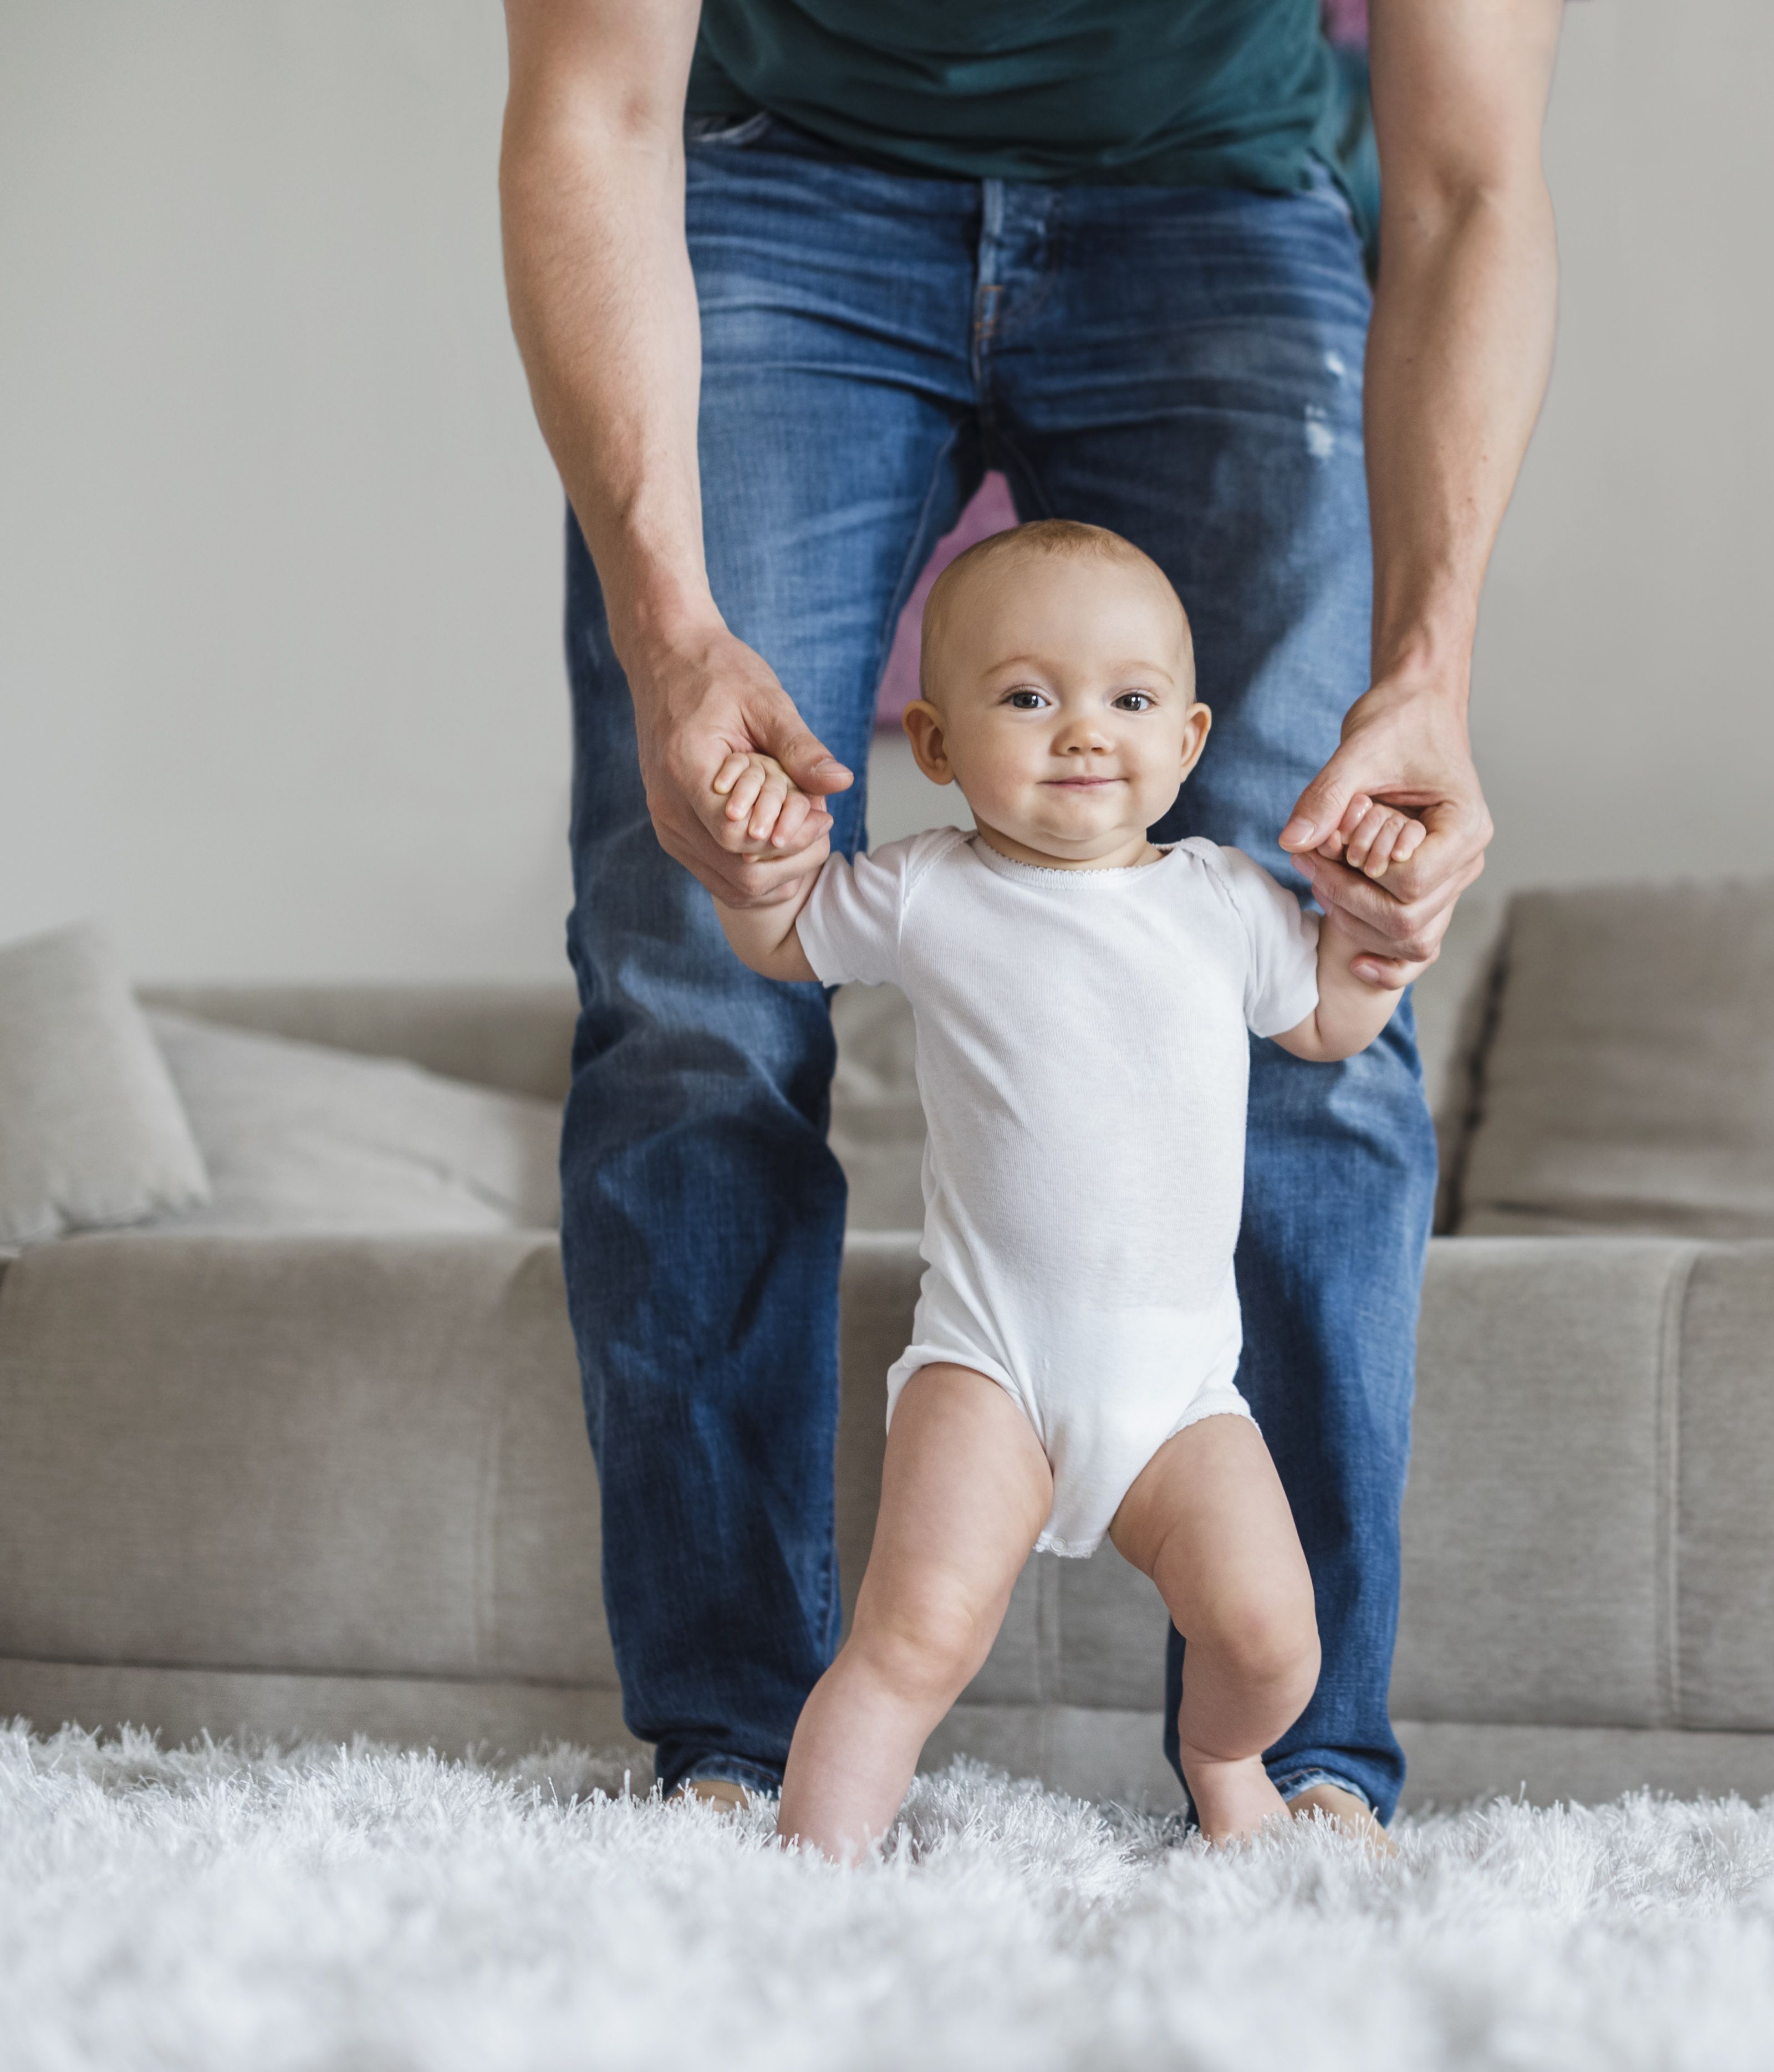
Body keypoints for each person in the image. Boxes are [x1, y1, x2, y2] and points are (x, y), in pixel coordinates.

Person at [497, 0, 1559, 1838]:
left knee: (1330, 943)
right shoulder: (912, 886)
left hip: (1224, 197)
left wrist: (1430, 671)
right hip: (778, 187)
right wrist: (675, 631)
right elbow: (591, 111)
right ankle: (736, 1764)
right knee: (689, 986)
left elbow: (1468, 182)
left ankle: (1303, 1777)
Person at [709, 522, 1414, 1860]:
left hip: (1180, 1394)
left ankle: (1222, 1760)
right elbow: (784, 938)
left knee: (1274, 1639)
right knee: (912, 1639)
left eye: (1130, 701)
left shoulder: (1225, 901)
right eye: (1029, 698)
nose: (1084, 732)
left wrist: (1377, 942)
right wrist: (757, 853)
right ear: (934, 745)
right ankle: (808, 1877)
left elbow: (1324, 1021)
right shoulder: (927, 888)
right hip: (992, 1370)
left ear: (1191, 740)